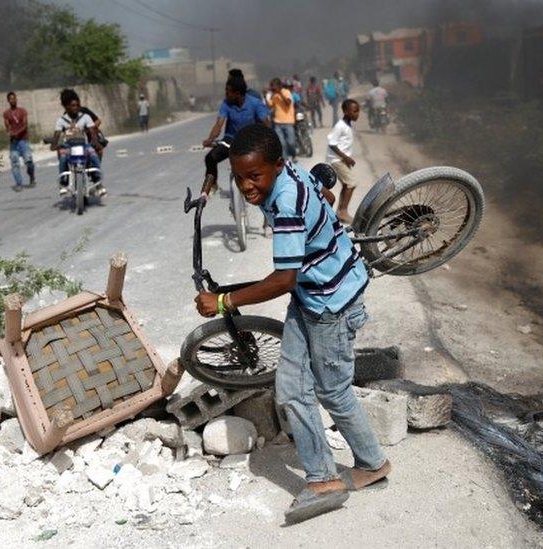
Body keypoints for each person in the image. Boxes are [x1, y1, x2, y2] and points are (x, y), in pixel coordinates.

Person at [194, 123, 391, 524]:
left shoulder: (285, 203)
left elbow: (284, 279)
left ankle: (370, 465)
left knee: (332, 391)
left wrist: (222, 302)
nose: (247, 186)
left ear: (277, 166)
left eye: (254, 177)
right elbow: (220, 150)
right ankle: (326, 476)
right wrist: (213, 171)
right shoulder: (273, 166)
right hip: (313, 295)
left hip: (331, 302)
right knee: (290, 387)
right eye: (240, 177)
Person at [199, 72, 271, 196]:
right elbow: (219, 124)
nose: (226, 94)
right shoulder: (226, 104)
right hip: (230, 140)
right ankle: (213, 184)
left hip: (250, 141)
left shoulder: (255, 103)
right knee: (210, 158)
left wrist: (265, 138)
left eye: (228, 91)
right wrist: (210, 139)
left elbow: (266, 123)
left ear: (237, 94)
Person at [51, 88, 105, 197]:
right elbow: (57, 133)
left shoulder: (85, 116)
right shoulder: (62, 119)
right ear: (66, 106)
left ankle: (97, 180)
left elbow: (92, 131)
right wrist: (54, 144)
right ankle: (63, 182)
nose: (75, 108)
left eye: (76, 105)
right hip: (69, 146)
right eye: (71, 105)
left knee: (94, 155)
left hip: (84, 145)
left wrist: (96, 142)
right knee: (62, 158)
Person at [327, 99, 360, 224]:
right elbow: (332, 144)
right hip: (337, 160)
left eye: (358, 111)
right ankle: (343, 212)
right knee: (351, 183)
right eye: (355, 111)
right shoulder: (340, 126)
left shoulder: (348, 125)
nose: (357, 114)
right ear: (345, 111)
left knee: (346, 185)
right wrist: (346, 157)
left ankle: (340, 212)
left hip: (341, 160)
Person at [3, 92, 35, 190]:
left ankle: (31, 177)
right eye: (11, 99)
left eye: (14, 98)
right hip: (14, 143)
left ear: (16, 99)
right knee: (15, 163)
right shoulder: (6, 113)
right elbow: (7, 126)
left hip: (23, 141)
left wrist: (16, 133)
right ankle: (19, 183)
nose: (13, 100)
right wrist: (9, 132)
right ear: (8, 101)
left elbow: (25, 125)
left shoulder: (22, 111)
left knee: (29, 162)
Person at [268, 77, 297, 159]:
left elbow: (288, 102)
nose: (273, 88)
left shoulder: (286, 92)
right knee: (282, 143)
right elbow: (270, 106)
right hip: (277, 122)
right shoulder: (274, 95)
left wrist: (280, 93)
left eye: (274, 86)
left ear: (279, 86)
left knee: (291, 142)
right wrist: (267, 95)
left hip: (288, 122)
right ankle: (286, 160)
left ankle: (293, 154)